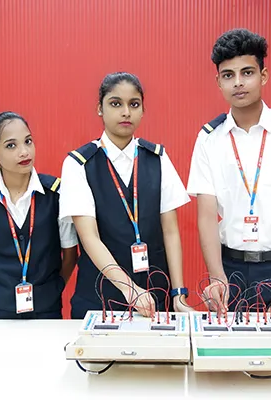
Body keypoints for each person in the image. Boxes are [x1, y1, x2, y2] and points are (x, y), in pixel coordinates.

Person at [186, 29, 271, 319]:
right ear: (218, 82)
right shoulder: (209, 139)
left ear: (264, 75)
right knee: (231, 360)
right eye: (228, 75)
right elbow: (207, 215)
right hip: (230, 271)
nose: (238, 82)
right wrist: (216, 277)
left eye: (247, 72)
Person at [59, 72, 193, 319]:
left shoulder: (157, 158)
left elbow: (171, 231)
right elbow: (89, 238)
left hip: (155, 297)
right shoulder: (78, 164)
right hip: (99, 298)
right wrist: (130, 290)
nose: (126, 112)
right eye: (115, 103)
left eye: (134, 104)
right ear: (99, 108)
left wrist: (178, 293)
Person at [0, 111, 78, 319]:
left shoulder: (57, 193)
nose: (24, 152)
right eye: (11, 145)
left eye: (28, 141)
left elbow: (69, 254)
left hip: (46, 310)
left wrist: (53, 289)